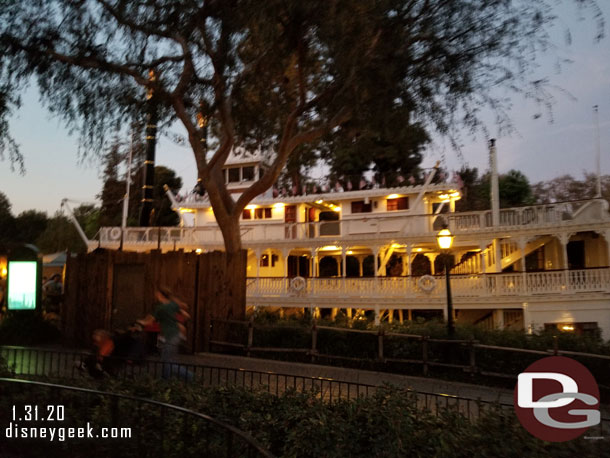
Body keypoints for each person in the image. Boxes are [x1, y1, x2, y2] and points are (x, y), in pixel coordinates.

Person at [138, 286, 191, 380]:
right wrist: (178, 323)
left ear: (160, 295)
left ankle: (190, 376)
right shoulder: (173, 304)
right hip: (176, 334)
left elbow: (149, 322)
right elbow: (186, 315)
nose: (155, 295)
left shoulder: (160, 308)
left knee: (168, 362)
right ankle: (165, 379)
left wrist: (139, 322)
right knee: (166, 359)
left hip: (169, 336)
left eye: (157, 294)